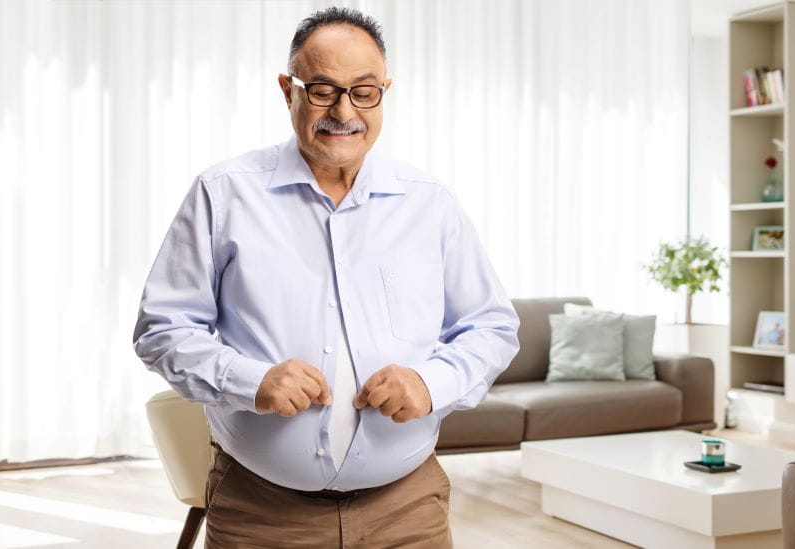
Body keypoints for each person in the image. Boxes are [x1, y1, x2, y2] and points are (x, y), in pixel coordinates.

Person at [132, 6, 519, 548]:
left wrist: (431, 384)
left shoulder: (429, 204)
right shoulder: (223, 193)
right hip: (260, 513)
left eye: (364, 91)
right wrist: (252, 380)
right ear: (287, 89)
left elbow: (492, 327)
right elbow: (162, 330)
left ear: (385, 91)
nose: (344, 111)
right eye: (322, 90)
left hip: (407, 510)